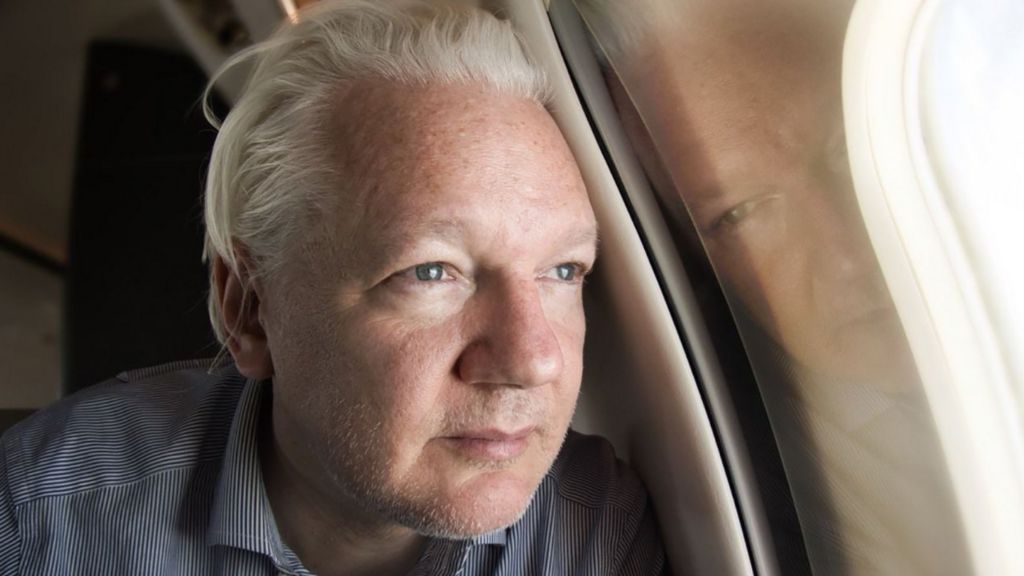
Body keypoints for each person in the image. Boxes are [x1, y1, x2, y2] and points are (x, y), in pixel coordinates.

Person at [0, 2, 665, 574]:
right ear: (250, 311)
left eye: (563, 271)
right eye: (431, 272)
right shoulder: (39, 519)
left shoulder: (600, 535)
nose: (533, 361)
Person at [574, 0, 969, 574]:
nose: (847, 256)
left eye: (849, 148)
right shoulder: (767, 500)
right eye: (740, 214)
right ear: (693, 261)